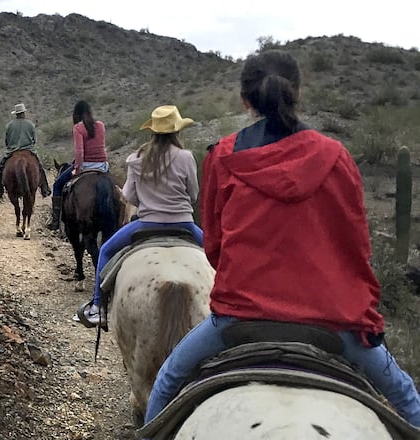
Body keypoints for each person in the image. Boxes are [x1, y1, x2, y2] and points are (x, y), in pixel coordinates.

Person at [142, 50, 420, 428]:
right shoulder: (336, 157)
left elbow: (215, 247)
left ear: (245, 100)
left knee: (166, 381)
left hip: (240, 315)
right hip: (334, 319)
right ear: (298, 92)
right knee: (406, 397)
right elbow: (357, 246)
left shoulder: (223, 157)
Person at [73, 105, 203, 327]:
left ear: (152, 131)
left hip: (146, 223)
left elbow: (130, 196)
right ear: (176, 131)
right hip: (184, 224)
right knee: (219, 255)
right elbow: (193, 194)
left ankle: (98, 307)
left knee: (105, 251)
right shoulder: (186, 157)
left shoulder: (137, 158)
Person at [48, 100, 109, 230]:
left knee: (58, 184)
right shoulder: (100, 125)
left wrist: (77, 168)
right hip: (103, 165)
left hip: (86, 165)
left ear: (77, 114)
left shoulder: (78, 128)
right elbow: (102, 146)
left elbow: (79, 152)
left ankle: (55, 222)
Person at [0, 103, 51, 200]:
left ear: (16, 114)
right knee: (40, 167)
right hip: (28, 150)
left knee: (0, 169)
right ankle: (45, 189)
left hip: (12, 151)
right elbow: (34, 140)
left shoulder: (9, 125)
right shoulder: (30, 124)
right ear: (23, 113)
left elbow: (7, 141)